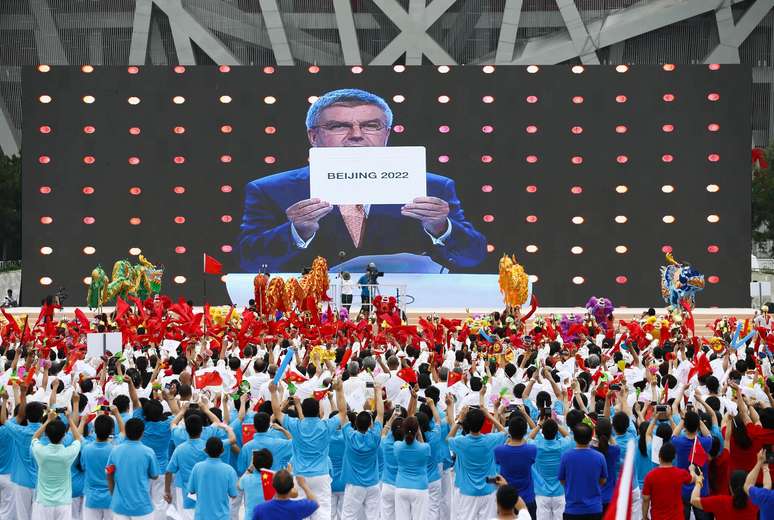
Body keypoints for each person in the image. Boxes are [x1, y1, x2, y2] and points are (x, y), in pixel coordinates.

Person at [238, 88, 487, 273]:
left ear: (386, 134)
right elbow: (249, 261)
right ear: (313, 136)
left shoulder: (433, 186)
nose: (356, 135)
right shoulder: (269, 189)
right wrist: (296, 232)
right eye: (338, 126)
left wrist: (441, 227)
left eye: (370, 126)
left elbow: (472, 256)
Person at [269, 379, 342, 520]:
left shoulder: (296, 425)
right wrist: (340, 390)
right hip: (321, 476)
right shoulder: (326, 426)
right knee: (322, 513)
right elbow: (343, 412)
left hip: (300, 475)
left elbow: (277, 413)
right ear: (318, 412)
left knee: (299, 514)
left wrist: (273, 393)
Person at [446, 391, 507, 520]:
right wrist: (489, 416)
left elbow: (449, 438)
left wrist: (459, 420)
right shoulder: (490, 440)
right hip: (488, 491)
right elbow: (503, 431)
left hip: (467, 492)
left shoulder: (461, 442)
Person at [335, 378, 384, 520]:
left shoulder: (350, 436)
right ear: (370, 425)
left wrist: (339, 390)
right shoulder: (375, 437)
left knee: (348, 517)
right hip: (373, 485)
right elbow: (380, 414)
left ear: (355, 423)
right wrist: (378, 391)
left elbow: (342, 412)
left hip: (354, 486)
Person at [30, 410, 83, 519]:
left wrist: (48, 420)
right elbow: (78, 438)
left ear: (46, 434)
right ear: (64, 435)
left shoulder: (41, 452)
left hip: (43, 503)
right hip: (63, 503)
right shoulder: (67, 453)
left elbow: (34, 438)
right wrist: (69, 419)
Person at [107, 417, 160, 520]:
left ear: (125, 432)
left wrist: (113, 494)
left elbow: (109, 473)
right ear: (142, 433)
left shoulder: (115, 451)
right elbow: (155, 476)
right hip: (142, 505)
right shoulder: (148, 452)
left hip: (119, 505)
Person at [558, 422, 608, 520]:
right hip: (594, 509)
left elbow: (562, 480)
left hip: (572, 509)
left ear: (574, 438)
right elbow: (603, 480)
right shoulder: (599, 457)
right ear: (591, 438)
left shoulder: (566, 456)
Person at [494, 413, 538, 520]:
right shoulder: (532, 449)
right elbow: (526, 444)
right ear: (524, 432)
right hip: (528, 498)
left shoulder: (499, 450)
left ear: (509, 431)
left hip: (506, 500)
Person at [164, 414, 208, 519]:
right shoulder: (207, 446)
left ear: (186, 430)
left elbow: (169, 471)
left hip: (186, 490)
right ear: (202, 428)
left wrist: (167, 491)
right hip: (206, 489)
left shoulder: (180, 449)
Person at [187, 437, 239, 520]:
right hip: (222, 517)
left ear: (205, 450)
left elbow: (191, 490)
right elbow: (233, 494)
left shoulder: (197, 467)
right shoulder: (229, 470)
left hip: (201, 517)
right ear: (222, 451)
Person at [81, 413, 120, 520]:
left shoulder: (86, 449)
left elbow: (83, 467)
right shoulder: (115, 450)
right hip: (111, 497)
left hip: (91, 498)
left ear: (94, 429)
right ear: (112, 430)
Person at [642, 442, 695, 520]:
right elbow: (692, 479)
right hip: (677, 517)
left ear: (659, 456)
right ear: (674, 458)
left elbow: (646, 498)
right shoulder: (680, 473)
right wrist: (692, 470)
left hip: (658, 517)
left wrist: (644, 516)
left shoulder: (650, 476)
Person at [393, 415, 431, 519]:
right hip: (420, 488)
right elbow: (423, 446)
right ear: (417, 430)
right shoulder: (425, 448)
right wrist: (419, 435)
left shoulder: (397, 446)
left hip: (401, 487)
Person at [690, 469, 758, 520]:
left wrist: (698, 482)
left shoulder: (721, 501)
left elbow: (693, 500)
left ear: (730, 486)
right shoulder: (756, 502)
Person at [251, 469, 320, 520]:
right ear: (292, 486)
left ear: (273, 485)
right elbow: (315, 502)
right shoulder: (299, 507)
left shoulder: (259, 509)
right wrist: (304, 485)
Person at [238, 449, 273, 520]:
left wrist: (250, 468)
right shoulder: (274, 479)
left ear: (253, 463)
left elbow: (238, 485)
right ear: (271, 463)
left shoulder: (246, 479)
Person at [742, 449, 774, 520]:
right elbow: (766, 488)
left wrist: (759, 462)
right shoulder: (767, 496)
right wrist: (765, 467)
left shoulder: (768, 497)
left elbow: (747, 485)